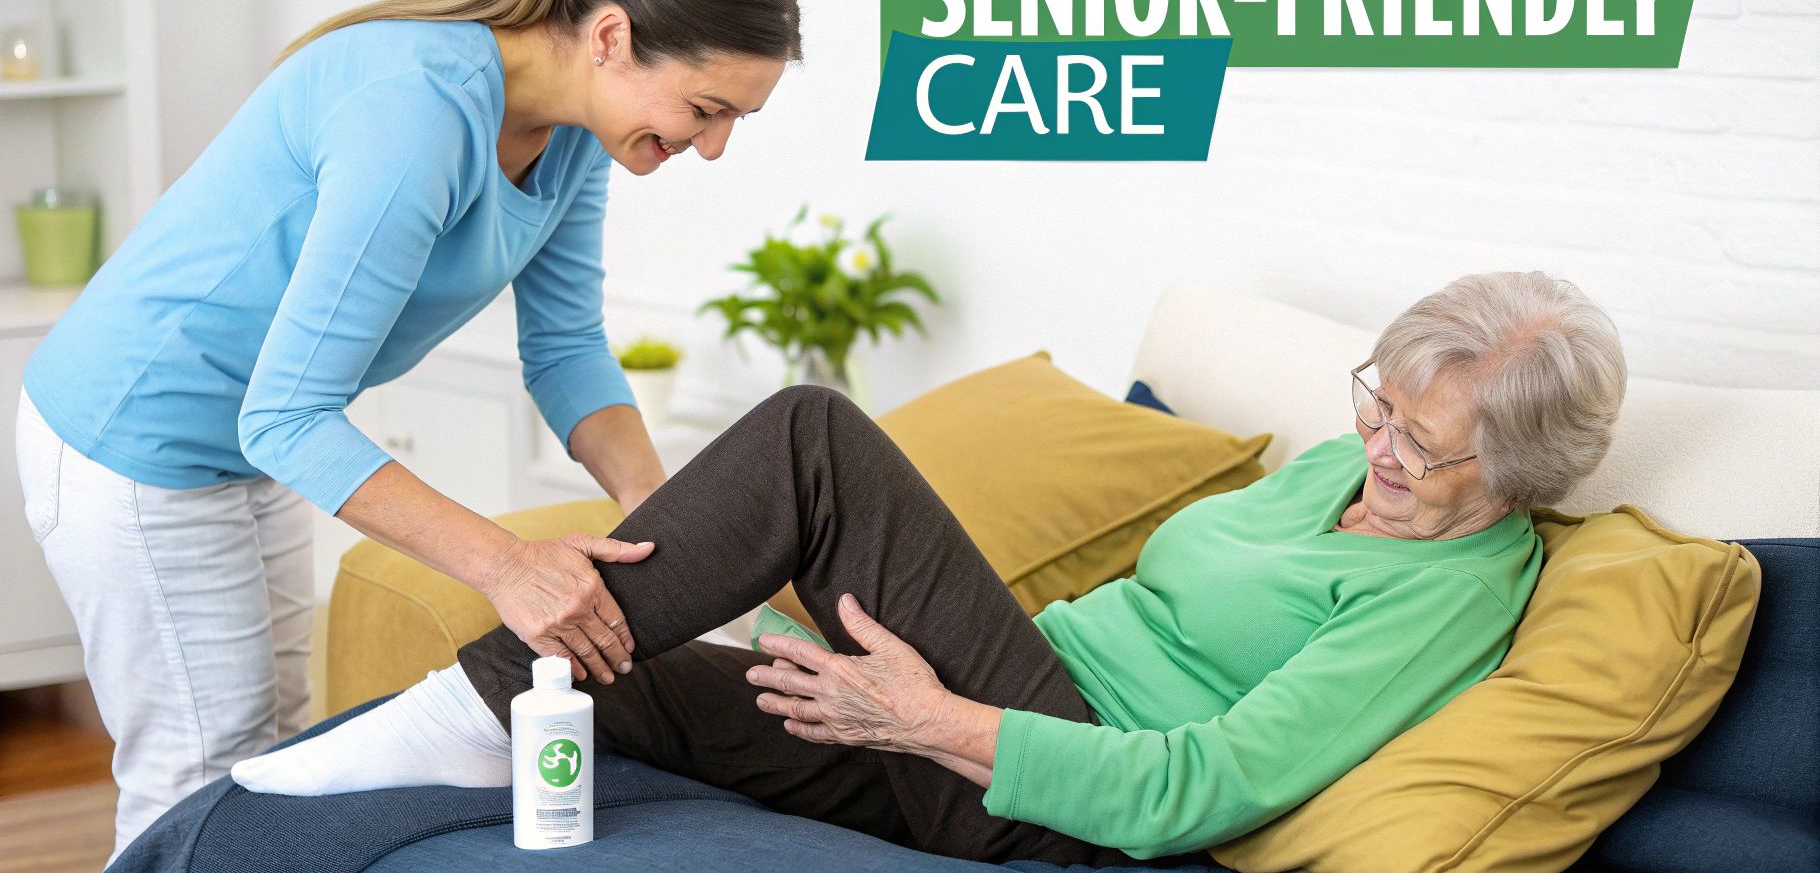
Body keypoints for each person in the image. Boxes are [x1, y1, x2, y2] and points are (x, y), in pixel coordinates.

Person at [232, 271, 1628, 866]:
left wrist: (933, 718)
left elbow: (1199, 790)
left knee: (812, 440)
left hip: (1062, 802)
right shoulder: (1339, 466)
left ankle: (466, 699)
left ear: (1517, 477)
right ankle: (459, 724)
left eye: (1421, 446)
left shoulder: (1452, 595)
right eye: (1377, 402)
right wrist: (905, 692)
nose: (1379, 448)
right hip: (995, 697)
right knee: (619, 682)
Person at [12, 0, 799, 862]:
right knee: (194, 783)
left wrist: (667, 515)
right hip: (136, 434)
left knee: (269, 761)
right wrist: (509, 566)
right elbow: (288, 415)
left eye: (734, 121)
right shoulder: (416, 113)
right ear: (611, 37)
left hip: (248, 443)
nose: (712, 146)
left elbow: (564, 348)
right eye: (706, 108)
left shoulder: (573, 139)